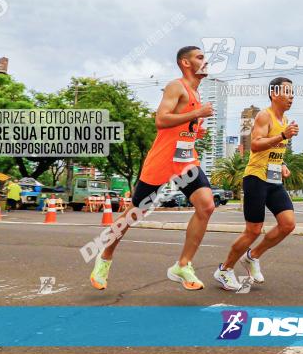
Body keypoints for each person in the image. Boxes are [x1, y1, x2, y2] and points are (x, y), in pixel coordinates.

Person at [90, 45, 216, 291]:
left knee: (207, 205)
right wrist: (198, 113)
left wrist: (197, 128)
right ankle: (105, 256)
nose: (206, 61)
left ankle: (182, 265)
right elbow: (161, 120)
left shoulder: (196, 93)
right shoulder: (175, 86)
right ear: (185, 63)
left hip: (186, 160)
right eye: (200, 57)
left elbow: (183, 126)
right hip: (162, 160)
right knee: (136, 212)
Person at [214, 77, 298, 291]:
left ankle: (252, 256)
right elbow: (256, 145)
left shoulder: (286, 119)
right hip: (256, 179)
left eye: (292, 92)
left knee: (287, 224)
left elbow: (273, 149)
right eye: (287, 92)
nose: (291, 96)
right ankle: (224, 269)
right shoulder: (264, 116)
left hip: (274, 179)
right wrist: (282, 135)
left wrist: (282, 164)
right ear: (274, 94)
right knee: (253, 230)